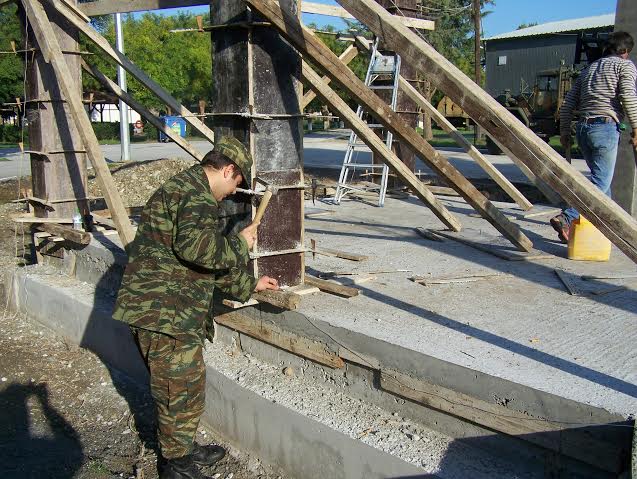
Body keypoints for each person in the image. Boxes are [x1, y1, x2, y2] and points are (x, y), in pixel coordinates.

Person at [113, 136, 279, 479]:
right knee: (178, 393)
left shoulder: (187, 188)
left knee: (182, 391)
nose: (232, 193)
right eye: (236, 183)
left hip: (168, 310)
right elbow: (199, 250)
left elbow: (198, 261)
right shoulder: (194, 195)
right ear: (228, 170)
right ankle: (176, 467)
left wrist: (248, 284)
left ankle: (182, 450)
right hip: (164, 314)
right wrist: (239, 244)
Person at [551, 31, 637, 243]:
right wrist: (636, 127)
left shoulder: (589, 69)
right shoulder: (624, 66)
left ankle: (606, 232)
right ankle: (567, 217)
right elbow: (627, 95)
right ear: (625, 51)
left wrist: (564, 131)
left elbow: (568, 103)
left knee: (603, 187)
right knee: (599, 184)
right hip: (605, 128)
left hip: (583, 129)